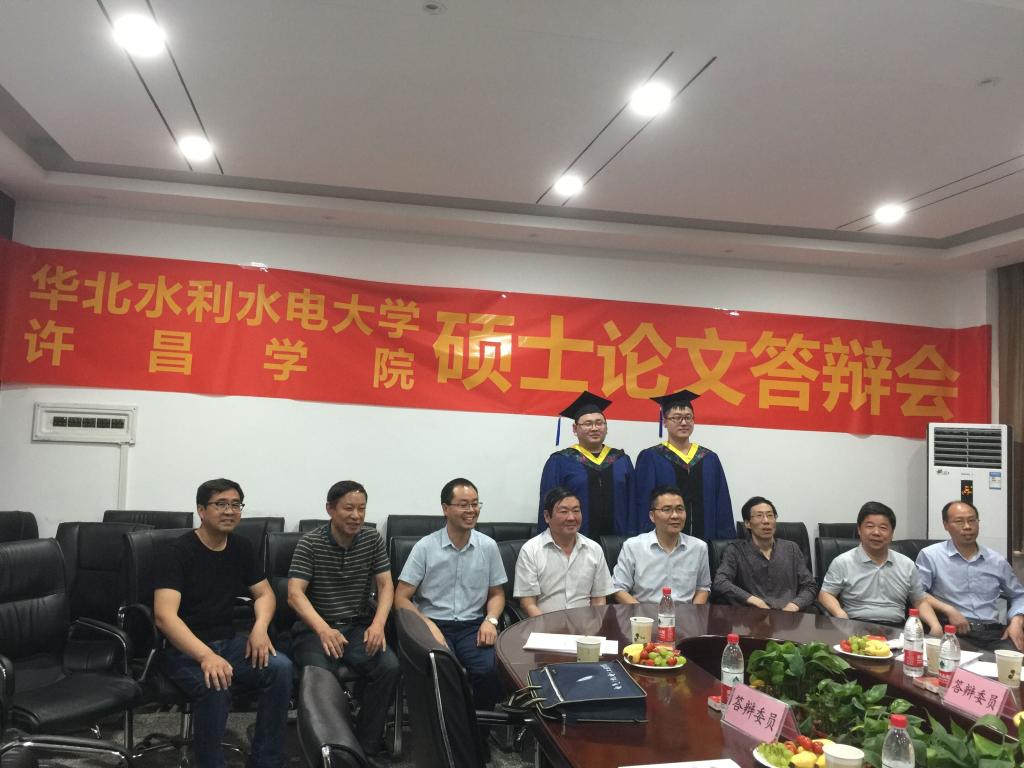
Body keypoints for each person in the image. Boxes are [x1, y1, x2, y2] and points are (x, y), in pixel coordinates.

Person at [154, 478, 293, 768]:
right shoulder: (177, 551)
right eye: (221, 504)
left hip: (228, 642)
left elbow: (265, 594)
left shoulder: (241, 547)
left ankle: (266, 760)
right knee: (215, 683)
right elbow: (164, 616)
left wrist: (259, 628)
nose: (230, 511)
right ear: (201, 510)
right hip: (182, 650)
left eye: (235, 504)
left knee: (280, 667)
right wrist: (206, 656)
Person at [287, 480, 399, 765]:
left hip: (357, 626)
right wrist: (324, 629)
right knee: (321, 679)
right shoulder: (310, 543)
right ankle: (328, 753)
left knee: (389, 667)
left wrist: (378, 624)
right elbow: (294, 594)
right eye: (349, 508)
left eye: (362, 509)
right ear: (330, 509)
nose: (356, 516)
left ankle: (365, 747)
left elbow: (386, 586)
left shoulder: (372, 539)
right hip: (315, 630)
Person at [394, 477, 506, 711]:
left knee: (490, 670)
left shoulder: (488, 546)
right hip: (432, 623)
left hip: (472, 627)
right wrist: (426, 625)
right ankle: (447, 728)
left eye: (475, 504)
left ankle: (479, 726)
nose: (471, 510)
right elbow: (401, 597)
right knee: (443, 670)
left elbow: (496, 593)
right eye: (464, 504)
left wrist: (491, 620)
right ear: (445, 509)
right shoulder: (425, 547)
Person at [916, 500, 1024, 652]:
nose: (967, 526)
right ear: (946, 525)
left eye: (972, 520)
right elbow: (917, 593)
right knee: (959, 660)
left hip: (993, 634)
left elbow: (1019, 595)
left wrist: (1017, 621)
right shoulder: (931, 555)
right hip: (954, 632)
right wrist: (949, 610)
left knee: (1012, 661)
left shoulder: (996, 560)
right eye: (959, 521)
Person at [818, 501, 942, 633]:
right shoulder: (843, 561)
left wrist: (935, 625)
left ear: (892, 533)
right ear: (859, 530)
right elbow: (826, 594)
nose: (876, 532)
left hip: (896, 630)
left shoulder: (906, 564)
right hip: (855, 627)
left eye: (883, 527)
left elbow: (920, 601)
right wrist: (840, 614)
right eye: (870, 526)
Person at [632, 390, 734, 540]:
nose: (684, 423)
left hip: (705, 541)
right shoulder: (651, 457)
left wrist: (724, 541)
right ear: (665, 422)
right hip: (662, 543)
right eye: (676, 418)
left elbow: (722, 504)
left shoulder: (709, 458)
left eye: (688, 417)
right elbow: (643, 504)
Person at [538, 391, 634, 537]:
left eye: (599, 423)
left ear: (606, 427)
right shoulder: (560, 461)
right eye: (588, 424)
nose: (594, 428)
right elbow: (548, 505)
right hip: (573, 541)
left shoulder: (621, 460)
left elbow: (633, 503)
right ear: (575, 429)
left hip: (618, 541)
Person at [515, 487, 614, 616]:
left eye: (576, 511)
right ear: (547, 516)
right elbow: (528, 603)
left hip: (585, 624)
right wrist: (547, 626)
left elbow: (599, 598)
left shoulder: (594, 549)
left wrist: (595, 624)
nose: (571, 517)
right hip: (544, 623)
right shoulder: (530, 550)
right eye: (564, 511)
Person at [712, 496, 817, 611]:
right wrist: (754, 600)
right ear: (747, 523)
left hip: (789, 615)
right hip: (752, 615)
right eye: (759, 516)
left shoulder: (791, 548)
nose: (766, 521)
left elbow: (810, 586)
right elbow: (720, 582)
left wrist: (794, 606)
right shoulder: (735, 550)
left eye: (770, 515)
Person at [612, 485, 711, 604]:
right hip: (644, 612)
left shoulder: (699, 547)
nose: (675, 515)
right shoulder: (633, 546)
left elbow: (703, 588)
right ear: (652, 516)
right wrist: (640, 612)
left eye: (680, 509)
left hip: (685, 613)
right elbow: (618, 588)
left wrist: (693, 613)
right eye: (667, 509)